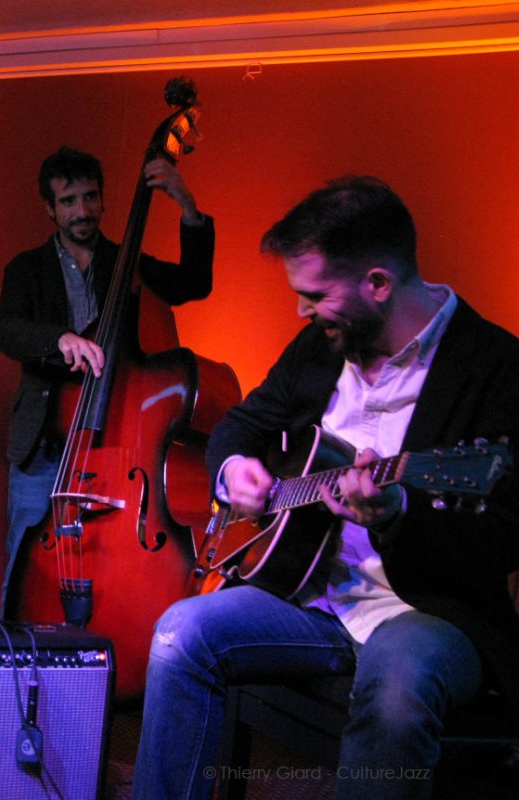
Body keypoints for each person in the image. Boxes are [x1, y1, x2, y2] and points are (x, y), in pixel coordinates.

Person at [133, 176, 519, 799]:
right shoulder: (321, 346)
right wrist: (233, 470)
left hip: (427, 612)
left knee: (396, 688)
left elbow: (504, 537)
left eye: (314, 295)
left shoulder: (496, 366)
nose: (301, 311)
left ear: (377, 284)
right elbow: (241, 424)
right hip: (309, 596)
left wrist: (397, 512)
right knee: (182, 634)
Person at [0, 145, 214, 617]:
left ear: (103, 199)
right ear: (50, 208)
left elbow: (194, 283)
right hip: (44, 441)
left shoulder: (127, 263)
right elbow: (7, 330)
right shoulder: (27, 269)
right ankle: (17, 651)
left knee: (108, 561)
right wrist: (60, 340)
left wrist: (188, 207)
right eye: (68, 201)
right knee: (25, 563)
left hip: (111, 442)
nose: (82, 211)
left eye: (90, 197)